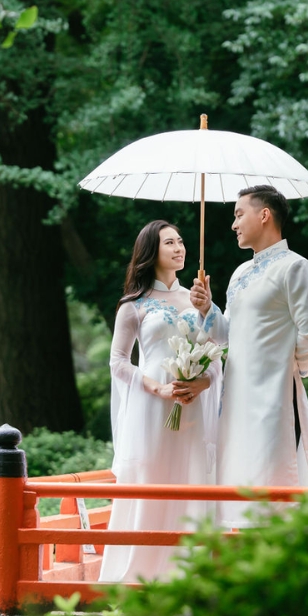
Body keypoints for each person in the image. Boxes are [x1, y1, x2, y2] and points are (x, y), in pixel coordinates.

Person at [190, 185, 308, 528]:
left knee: (272, 484)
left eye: (239, 214)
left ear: (264, 215)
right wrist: (208, 309)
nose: (234, 224)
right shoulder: (239, 274)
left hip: (273, 399)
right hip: (235, 400)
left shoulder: (295, 268)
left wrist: (286, 366)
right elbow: (228, 336)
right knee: (236, 480)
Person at [99, 219, 221, 582]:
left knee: (191, 477)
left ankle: (187, 573)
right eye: (170, 242)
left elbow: (217, 351)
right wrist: (158, 388)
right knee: (150, 478)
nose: (179, 247)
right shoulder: (133, 305)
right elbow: (118, 362)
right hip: (151, 406)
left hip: (192, 405)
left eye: (181, 241)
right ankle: (139, 574)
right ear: (151, 251)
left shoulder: (197, 301)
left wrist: (202, 382)